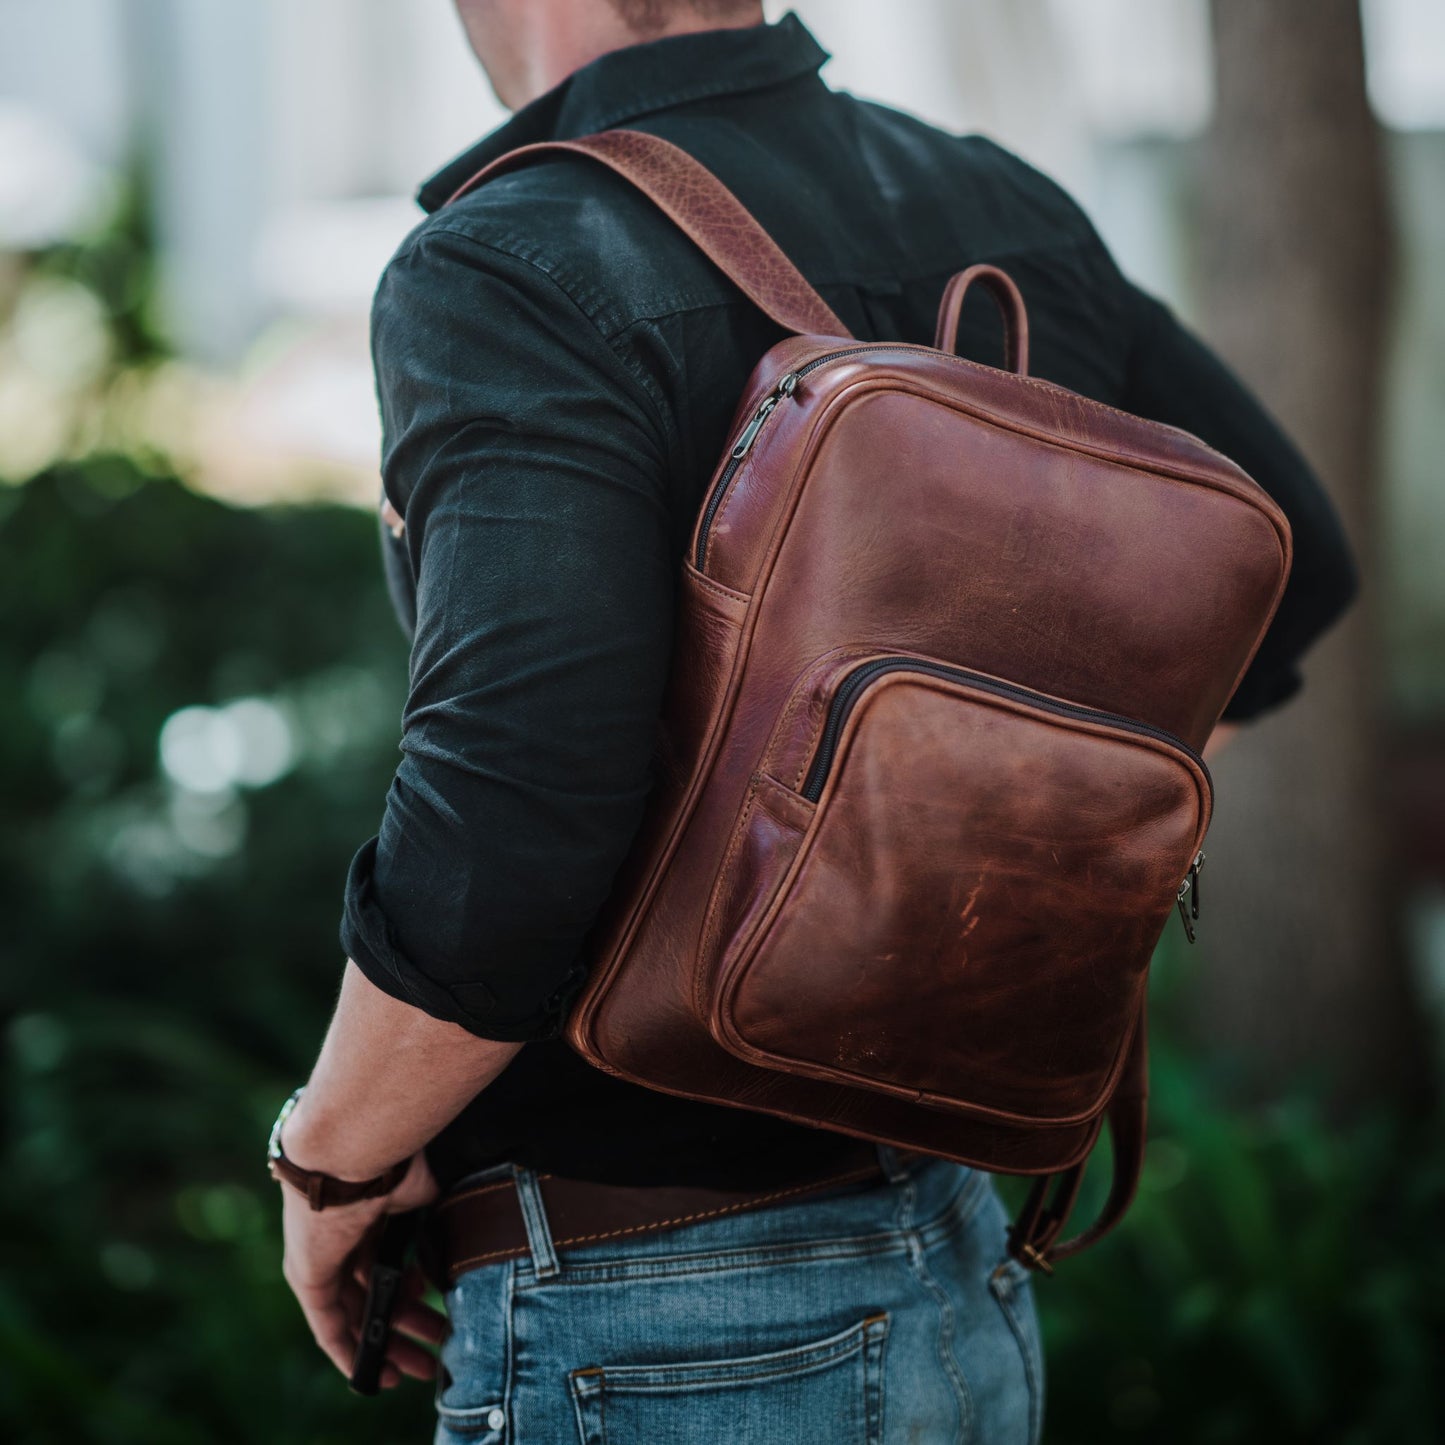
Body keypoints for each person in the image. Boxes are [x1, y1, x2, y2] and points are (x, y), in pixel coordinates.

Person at [268, 4, 1357, 1441]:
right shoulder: (993, 202)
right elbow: (1296, 572)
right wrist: (1019, 831)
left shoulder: (513, 261)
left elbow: (509, 830)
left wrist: (328, 1164)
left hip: (648, 1306)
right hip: (958, 1263)